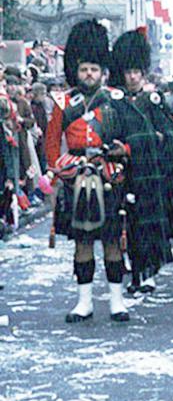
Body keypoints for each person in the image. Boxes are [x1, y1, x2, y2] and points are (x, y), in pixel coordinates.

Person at [45, 20, 136, 322]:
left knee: (112, 241)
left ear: (103, 71)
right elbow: (51, 141)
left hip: (108, 176)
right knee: (82, 242)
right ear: (76, 69)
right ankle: (83, 303)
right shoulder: (63, 102)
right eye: (84, 69)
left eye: (94, 69)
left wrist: (124, 151)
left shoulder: (116, 100)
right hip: (76, 177)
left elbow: (131, 138)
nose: (89, 74)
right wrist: (59, 169)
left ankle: (117, 301)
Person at [110, 29, 173, 294]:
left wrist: (156, 138)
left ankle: (150, 271)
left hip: (151, 170)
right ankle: (135, 270)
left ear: (143, 73)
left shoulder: (154, 100)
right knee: (130, 224)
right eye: (128, 72)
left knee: (150, 224)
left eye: (137, 71)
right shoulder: (116, 101)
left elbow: (170, 134)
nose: (132, 76)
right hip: (125, 170)